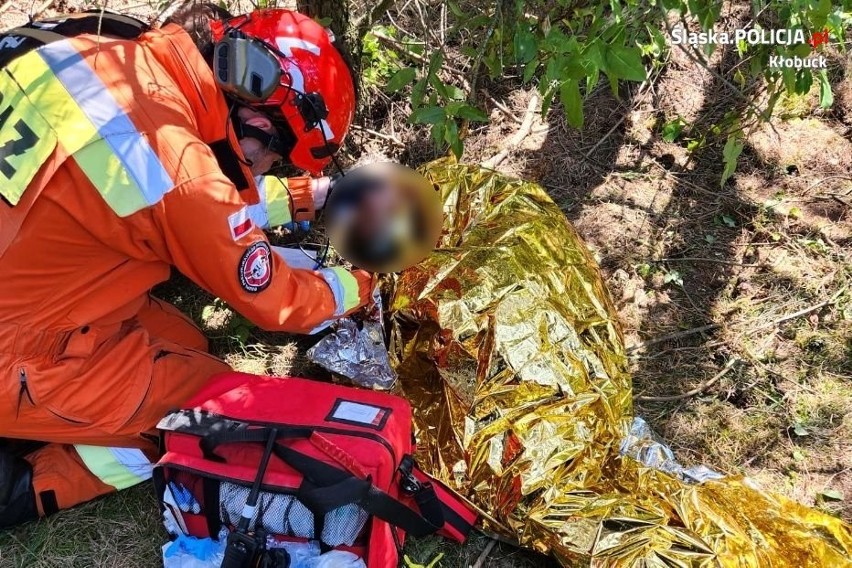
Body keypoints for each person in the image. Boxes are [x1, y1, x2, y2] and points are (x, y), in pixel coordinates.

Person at [0, 5, 375, 526]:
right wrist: (354, 286)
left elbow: (173, 195)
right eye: (275, 158)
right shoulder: (173, 161)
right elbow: (269, 295)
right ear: (261, 122)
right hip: (17, 350)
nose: (263, 167)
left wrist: (306, 196)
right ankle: (26, 484)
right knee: (205, 409)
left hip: (35, 281)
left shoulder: (109, 46)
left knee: (186, 343)